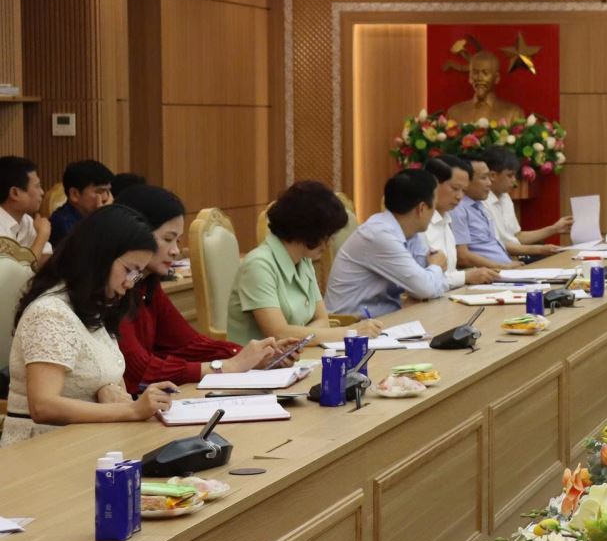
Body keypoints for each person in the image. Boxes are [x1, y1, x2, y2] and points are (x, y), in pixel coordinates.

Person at [3, 205, 172, 446]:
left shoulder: (92, 307)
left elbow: (94, 374)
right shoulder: (50, 313)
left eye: (137, 275)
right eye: (128, 270)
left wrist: (106, 389)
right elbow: (43, 406)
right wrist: (132, 410)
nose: (129, 283)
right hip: (40, 448)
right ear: (99, 257)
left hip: (85, 441)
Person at [115, 184, 292, 394]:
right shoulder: (115, 290)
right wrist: (225, 366)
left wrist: (251, 355)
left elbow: (187, 344)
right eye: (168, 239)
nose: (175, 251)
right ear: (136, 234)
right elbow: (140, 370)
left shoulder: (145, 283)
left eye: (178, 240)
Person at [228, 181, 383, 343]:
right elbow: (279, 333)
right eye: (326, 235)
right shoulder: (258, 265)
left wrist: (301, 335)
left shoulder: (303, 260)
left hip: (298, 355)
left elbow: (323, 321)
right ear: (307, 230)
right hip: (260, 359)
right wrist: (351, 332)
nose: (328, 244)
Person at [325, 168, 452, 317]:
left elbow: (434, 286)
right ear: (422, 208)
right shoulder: (378, 235)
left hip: (383, 319)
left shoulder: (412, 233)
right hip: (351, 326)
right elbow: (426, 288)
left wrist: (429, 280)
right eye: (434, 206)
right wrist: (436, 266)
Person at [423, 156, 497, 289]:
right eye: (455, 188)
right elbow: (423, 281)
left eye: (463, 191)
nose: (460, 197)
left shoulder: (446, 219)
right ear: (433, 184)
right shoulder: (419, 224)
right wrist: (465, 276)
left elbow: (450, 273)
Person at [483, 146, 571, 256]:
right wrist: (537, 250)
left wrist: (554, 229)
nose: (514, 181)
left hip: (514, 257)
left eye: (514, 175)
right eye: (509, 176)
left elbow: (517, 236)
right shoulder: (482, 202)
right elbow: (494, 245)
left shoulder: (505, 197)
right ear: (492, 175)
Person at [450, 154, 514, 267]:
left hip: (506, 267)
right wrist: (503, 267)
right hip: (492, 272)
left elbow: (493, 245)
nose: (489, 183)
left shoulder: (479, 204)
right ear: (466, 181)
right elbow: (462, 257)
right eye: (484, 178)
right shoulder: (458, 209)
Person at [444, 48, 526, 124]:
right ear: (470, 78)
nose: (479, 78)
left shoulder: (513, 114)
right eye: (475, 73)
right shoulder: (454, 113)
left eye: (485, 73)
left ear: (497, 78)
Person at [0, 155, 50, 264]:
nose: (42, 192)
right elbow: (18, 272)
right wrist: (42, 235)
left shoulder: (27, 220)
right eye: (37, 186)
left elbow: (47, 259)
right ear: (15, 193)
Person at [49, 159, 114, 241]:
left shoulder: (89, 217)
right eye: (99, 191)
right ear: (75, 194)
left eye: (108, 191)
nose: (106, 198)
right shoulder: (61, 222)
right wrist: (101, 217)